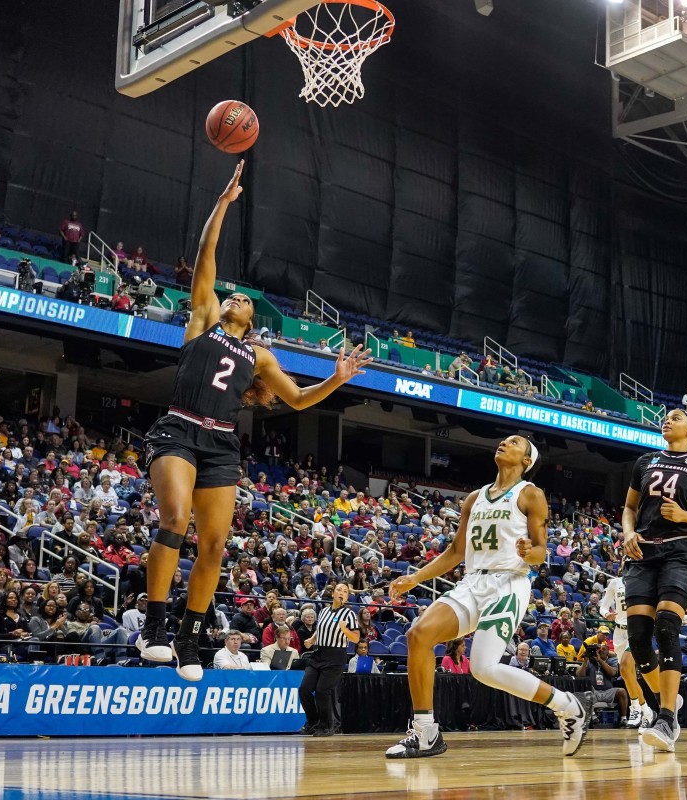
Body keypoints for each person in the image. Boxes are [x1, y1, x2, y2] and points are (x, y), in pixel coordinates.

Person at [136, 161, 373, 680]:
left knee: (215, 546)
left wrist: (337, 378)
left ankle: (189, 638)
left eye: (245, 298)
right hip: (178, 427)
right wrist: (222, 205)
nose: (237, 296)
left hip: (220, 444)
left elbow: (300, 400)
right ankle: (153, 627)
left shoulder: (259, 356)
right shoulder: (202, 318)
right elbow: (206, 256)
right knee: (175, 519)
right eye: (233, 295)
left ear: (253, 318)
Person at [385, 435, 587, 759]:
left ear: (527, 460)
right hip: (472, 582)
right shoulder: (475, 498)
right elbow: (455, 551)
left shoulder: (531, 495)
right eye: (505, 441)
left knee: (483, 668)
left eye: (515, 443)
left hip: (508, 583)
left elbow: (541, 551)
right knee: (418, 635)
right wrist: (416, 577)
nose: (505, 443)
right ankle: (425, 734)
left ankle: (566, 705)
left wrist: (529, 551)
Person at [621, 405, 687, 752]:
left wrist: (686, 514)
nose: (667, 420)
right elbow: (628, 508)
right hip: (643, 552)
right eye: (666, 416)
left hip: (681, 550)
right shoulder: (644, 462)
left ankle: (667, 717)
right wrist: (627, 534)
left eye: (676, 417)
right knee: (638, 640)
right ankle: (668, 701)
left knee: (666, 625)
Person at [299, 581, 359, 737]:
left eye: (345, 591)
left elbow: (356, 639)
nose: (341, 593)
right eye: (339, 590)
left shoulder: (349, 615)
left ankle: (327, 726)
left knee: (322, 691)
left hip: (336, 656)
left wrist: (344, 628)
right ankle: (313, 721)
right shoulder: (324, 611)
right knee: (304, 689)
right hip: (318, 654)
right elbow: (320, 630)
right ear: (333, 593)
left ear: (347, 596)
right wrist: (312, 640)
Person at [601, 566, 652, 729]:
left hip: (636, 630)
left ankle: (634, 707)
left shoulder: (642, 583)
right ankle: (646, 710)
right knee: (627, 674)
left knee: (624, 667)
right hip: (618, 632)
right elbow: (604, 606)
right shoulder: (614, 583)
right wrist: (606, 614)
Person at [577, 641, 628, 718]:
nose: (601, 650)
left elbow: (613, 673)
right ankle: (593, 716)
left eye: (603, 649)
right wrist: (585, 660)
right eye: (599, 649)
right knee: (586, 688)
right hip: (594, 692)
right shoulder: (590, 662)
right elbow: (580, 675)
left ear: (608, 652)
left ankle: (623, 719)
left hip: (608, 692)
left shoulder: (611, 661)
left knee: (622, 691)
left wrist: (600, 660)